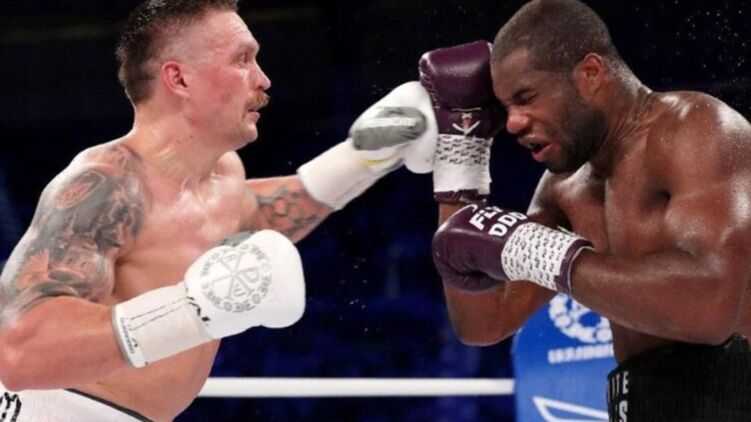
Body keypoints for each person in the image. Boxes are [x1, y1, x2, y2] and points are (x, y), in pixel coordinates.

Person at [0, 0, 439, 420]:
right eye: (242, 60)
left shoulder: (223, 175)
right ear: (179, 79)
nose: (263, 79)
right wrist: (191, 309)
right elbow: (19, 352)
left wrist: (363, 157)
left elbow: (258, 216)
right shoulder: (107, 185)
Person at [428, 0, 751, 420]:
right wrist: (462, 153)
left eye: (526, 98)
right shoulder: (565, 187)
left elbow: (711, 309)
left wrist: (538, 250)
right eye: (505, 108)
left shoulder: (695, 130)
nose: (512, 123)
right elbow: (485, 320)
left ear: (591, 73)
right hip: (641, 401)